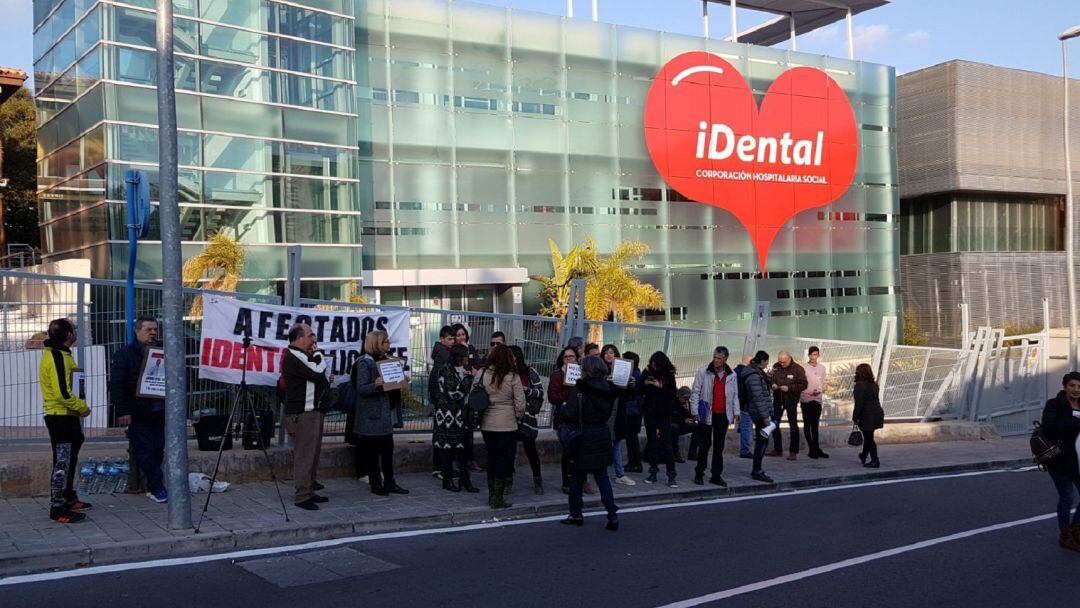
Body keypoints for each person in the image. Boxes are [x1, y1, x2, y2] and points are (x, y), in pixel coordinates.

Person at [110, 317, 167, 502]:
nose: (153, 333)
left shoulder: (164, 352)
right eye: (149, 329)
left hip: (159, 410)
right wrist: (123, 411)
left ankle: (154, 485)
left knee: (159, 448)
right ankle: (157, 487)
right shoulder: (124, 355)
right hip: (138, 412)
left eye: (155, 330)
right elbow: (117, 385)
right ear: (137, 331)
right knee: (145, 450)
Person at [560, 355, 620, 531]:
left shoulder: (579, 390)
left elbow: (569, 413)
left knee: (577, 476)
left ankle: (576, 513)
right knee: (602, 477)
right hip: (602, 433)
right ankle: (612, 514)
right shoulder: (609, 389)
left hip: (583, 435)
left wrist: (564, 406)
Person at [40, 318, 91, 523]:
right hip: (60, 416)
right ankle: (57, 507)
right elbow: (62, 392)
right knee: (62, 460)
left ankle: (68, 496)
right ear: (69, 335)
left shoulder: (62, 354)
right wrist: (82, 408)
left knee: (70, 457)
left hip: (68, 415)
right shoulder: (56, 357)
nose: (76, 332)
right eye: (74, 329)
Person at [282, 323, 332, 510]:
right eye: (311, 335)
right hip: (303, 415)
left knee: (312, 455)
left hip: (312, 413)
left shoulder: (303, 356)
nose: (314, 339)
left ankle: (309, 490)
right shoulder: (294, 357)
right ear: (300, 338)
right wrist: (318, 354)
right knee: (304, 456)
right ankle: (302, 496)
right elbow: (318, 372)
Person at [353, 330, 409, 497]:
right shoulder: (365, 362)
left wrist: (401, 380)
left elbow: (392, 384)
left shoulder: (387, 361)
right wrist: (376, 384)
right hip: (371, 416)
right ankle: (376, 483)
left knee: (387, 451)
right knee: (372, 453)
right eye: (386, 342)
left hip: (384, 414)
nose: (389, 345)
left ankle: (390, 482)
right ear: (377, 343)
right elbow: (361, 388)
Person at [479, 344, 526, 508]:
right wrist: (517, 418)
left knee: (491, 459)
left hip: (487, 423)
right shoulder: (513, 377)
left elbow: (474, 395)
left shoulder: (482, 373)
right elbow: (520, 403)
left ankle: (492, 495)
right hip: (507, 424)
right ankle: (498, 498)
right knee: (503, 461)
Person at [1040, 372, 1080, 551]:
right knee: (1067, 497)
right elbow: (1049, 429)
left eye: (1079, 386)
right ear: (1065, 387)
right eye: (1072, 385)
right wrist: (1075, 422)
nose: (1076, 390)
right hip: (1060, 460)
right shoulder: (1054, 404)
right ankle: (1065, 535)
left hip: (1079, 459)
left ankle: (1075, 529)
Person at [690, 346, 739, 487]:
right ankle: (699, 472)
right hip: (707, 413)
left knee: (719, 447)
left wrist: (736, 412)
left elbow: (735, 395)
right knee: (704, 446)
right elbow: (695, 392)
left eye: (719, 358)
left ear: (725, 359)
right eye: (714, 357)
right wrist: (694, 411)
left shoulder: (731, 375)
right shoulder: (703, 372)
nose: (716, 360)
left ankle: (716, 475)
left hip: (722, 414)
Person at [432, 344, 478, 493]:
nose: (468, 358)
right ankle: (448, 480)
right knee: (448, 450)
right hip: (447, 417)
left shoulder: (466, 371)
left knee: (463, 450)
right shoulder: (445, 370)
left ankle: (465, 480)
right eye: (465, 356)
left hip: (462, 416)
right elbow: (453, 394)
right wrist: (469, 380)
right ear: (459, 357)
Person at [639, 351, 678, 487]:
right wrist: (645, 383)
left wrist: (660, 386)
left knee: (667, 445)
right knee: (653, 443)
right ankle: (653, 471)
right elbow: (640, 390)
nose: (653, 367)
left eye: (656, 365)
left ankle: (671, 474)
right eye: (652, 364)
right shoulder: (647, 371)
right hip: (650, 412)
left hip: (664, 414)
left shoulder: (668, 375)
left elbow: (672, 394)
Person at [510, 344, 545, 495]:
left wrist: (526, 390)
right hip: (509, 416)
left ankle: (537, 479)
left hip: (527, 417)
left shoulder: (529, 372)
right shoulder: (506, 373)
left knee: (530, 449)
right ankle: (507, 482)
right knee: (509, 451)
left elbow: (540, 392)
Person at [601, 344, 636, 486]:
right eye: (606, 353)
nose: (609, 355)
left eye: (612, 352)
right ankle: (602, 474)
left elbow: (629, 395)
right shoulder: (599, 371)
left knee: (616, 444)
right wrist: (605, 382)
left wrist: (631, 385)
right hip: (604, 414)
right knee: (604, 444)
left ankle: (619, 474)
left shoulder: (623, 370)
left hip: (618, 414)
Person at [739, 350, 775, 483]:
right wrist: (765, 416)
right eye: (766, 362)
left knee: (762, 440)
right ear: (763, 361)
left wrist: (768, 378)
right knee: (762, 441)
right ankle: (757, 470)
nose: (767, 364)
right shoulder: (754, 375)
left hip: (757, 410)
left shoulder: (755, 372)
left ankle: (757, 469)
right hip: (758, 412)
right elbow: (758, 397)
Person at [549, 346, 580, 494]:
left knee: (579, 452)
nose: (569, 359)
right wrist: (570, 391)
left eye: (572, 356)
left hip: (580, 418)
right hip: (564, 419)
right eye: (566, 357)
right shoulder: (557, 376)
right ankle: (567, 481)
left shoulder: (582, 374)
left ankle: (580, 480)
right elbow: (553, 397)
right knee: (568, 451)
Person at [769, 351, 808, 460]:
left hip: (791, 400)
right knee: (774, 423)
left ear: (789, 358)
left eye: (784, 362)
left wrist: (789, 388)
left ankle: (793, 451)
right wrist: (772, 384)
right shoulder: (776, 366)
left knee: (793, 425)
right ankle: (777, 449)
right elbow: (771, 378)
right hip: (778, 399)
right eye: (780, 361)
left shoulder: (798, 369)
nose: (782, 364)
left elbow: (804, 384)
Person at [429, 326, 456, 481]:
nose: (452, 341)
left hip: (441, 401)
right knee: (443, 435)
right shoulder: (445, 354)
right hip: (444, 403)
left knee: (441, 434)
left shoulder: (441, 353)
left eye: (453, 338)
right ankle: (441, 468)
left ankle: (441, 467)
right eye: (449, 339)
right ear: (442, 339)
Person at [852, 363, 884, 469]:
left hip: (867, 415)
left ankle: (875, 460)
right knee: (868, 436)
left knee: (869, 438)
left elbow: (859, 404)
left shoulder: (859, 386)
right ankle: (864, 455)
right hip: (877, 412)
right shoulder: (874, 385)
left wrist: (855, 417)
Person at [801, 346, 829, 459]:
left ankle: (817, 448)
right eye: (812, 354)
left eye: (816, 354)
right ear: (809, 355)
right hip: (806, 398)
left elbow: (822, 382)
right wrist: (808, 392)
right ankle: (811, 448)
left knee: (815, 425)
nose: (813, 357)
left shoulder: (822, 368)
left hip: (817, 399)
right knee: (807, 424)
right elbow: (801, 383)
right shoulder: (803, 368)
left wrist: (819, 391)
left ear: (818, 355)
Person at [621, 351, 645, 473]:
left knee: (631, 437)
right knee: (631, 437)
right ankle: (634, 462)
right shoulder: (636, 372)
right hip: (634, 409)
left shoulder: (634, 375)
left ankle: (634, 462)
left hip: (632, 410)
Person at [734, 355, 754, 458]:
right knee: (746, 426)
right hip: (745, 404)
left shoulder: (734, 371)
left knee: (744, 426)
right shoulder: (747, 373)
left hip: (736, 403)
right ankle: (745, 450)